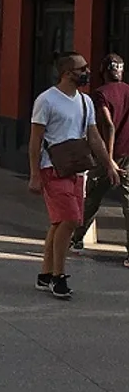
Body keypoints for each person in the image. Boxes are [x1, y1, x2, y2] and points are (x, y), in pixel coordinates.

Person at [29, 52, 122, 299]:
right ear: (67, 73)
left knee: (60, 223)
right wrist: (34, 174)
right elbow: (35, 139)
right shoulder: (46, 100)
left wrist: (109, 164)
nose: (87, 72)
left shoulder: (85, 102)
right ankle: (58, 277)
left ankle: (45, 274)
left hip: (77, 169)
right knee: (70, 220)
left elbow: (94, 136)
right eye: (82, 68)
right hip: (53, 168)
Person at [71, 53, 129, 265]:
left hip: (108, 156)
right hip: (128, 156)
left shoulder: (100, 94)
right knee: (128, 204)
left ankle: (76, 238)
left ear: (103, 71)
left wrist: (110, 160)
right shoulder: (128, 90)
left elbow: (108, 125)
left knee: (92, 199)